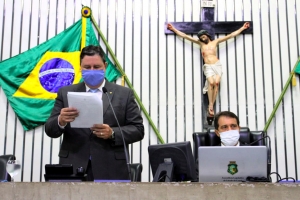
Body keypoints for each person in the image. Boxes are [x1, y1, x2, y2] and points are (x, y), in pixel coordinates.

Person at [45, 45, 144, 181]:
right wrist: (60, 121)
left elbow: (138, 129)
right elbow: (50, 130)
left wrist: (113, 133)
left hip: (111, 167)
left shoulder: (124, 94)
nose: (92, 71)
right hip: (74, 165)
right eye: (87, 67)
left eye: (96, 67)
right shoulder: (65, 92)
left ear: (105, 66)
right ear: (80, 67)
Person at [167, 22, 250, 118]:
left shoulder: (215, 42)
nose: (202, 38)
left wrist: (242, 28)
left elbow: (231, 35)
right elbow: (185, 36)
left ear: (207, 35)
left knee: (217, 83)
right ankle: (211, 104)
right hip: (208, 66)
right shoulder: (200, 43)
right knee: (211, 83)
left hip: (217, 65)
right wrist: (173, 29)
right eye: (201, 37)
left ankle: (211, 105)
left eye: (203, 36)